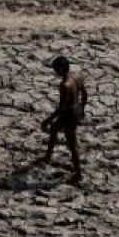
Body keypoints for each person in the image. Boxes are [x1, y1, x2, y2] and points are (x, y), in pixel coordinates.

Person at [40, 56, 87, 184]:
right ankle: (47, 157)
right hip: (75, 110)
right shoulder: (77, 77)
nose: (55, 71)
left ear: (61, 69)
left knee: (72, 144)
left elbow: (62, 108)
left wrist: (48, 120)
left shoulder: (65, 85)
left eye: (56, 69)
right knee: (54, 129)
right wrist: (81, 108)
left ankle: (78, 174)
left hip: (69, 115)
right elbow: (84, 93)